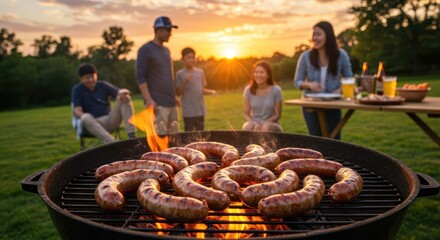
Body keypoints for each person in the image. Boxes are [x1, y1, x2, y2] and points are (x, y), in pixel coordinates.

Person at [294, 21, 353, 139]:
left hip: (333, 104)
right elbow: (297, 82)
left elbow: (349, 79)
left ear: (328, 35)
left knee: (335, 140)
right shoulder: (305, 56)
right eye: (313, 35)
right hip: (311, 104)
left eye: (318, 34)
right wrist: (309, 84)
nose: (314, 38)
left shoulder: (341, 55)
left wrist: (340, 90)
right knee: (315, 140)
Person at [135, 16, 179, 135]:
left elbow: (169, 76)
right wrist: (149, 100)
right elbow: (140, 76)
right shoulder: (145, 50)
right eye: (168, 30)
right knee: (160, 140)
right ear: (158, 30)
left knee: (176, 140)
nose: (170, 34)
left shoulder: (166, 50)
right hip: (157, 104)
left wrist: (174, 97)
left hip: (171, 103)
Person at [72, 63, 136, 143]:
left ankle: (132, 136)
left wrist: (123, 92)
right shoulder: (77, 90)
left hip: (110, 120)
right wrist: (84, 116)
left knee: (125, 98)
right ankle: (112, 143)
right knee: (85, 117)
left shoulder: (102, 85)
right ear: (81, 79)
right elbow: (77, 110)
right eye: (87, 78)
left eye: (93, 76)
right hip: (93, 124)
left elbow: (118, 92)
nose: (91, 80)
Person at [175, 47, 217, 131]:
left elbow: (202, 89)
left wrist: (211, 92)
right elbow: (178, 93)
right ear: (183, 60)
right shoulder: (180, 74)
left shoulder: (200, 72)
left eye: (193, 57)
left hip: (200, 110)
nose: (191, 60)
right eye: (188, 57)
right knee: (188, 136)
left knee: (201, 135)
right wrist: (185, 81)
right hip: (188, 112)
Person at [242, 60, 283, 132]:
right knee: (247, 127)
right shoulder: (248, 90)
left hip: (271, 123)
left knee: (266, 127)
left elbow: (277, 115)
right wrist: (253, 123)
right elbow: (246, 114)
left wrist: (265, 123)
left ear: (268, 75)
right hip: (254, 122)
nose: (258, 75)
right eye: (256, 72)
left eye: (262, 72)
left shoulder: (276, 90)